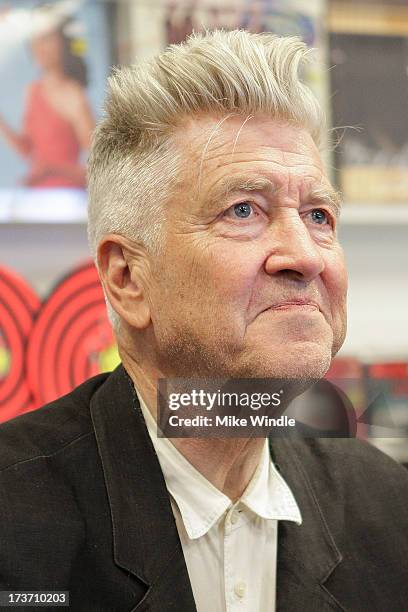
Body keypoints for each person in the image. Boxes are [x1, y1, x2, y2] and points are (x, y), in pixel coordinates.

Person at [0, 30, 407, 612]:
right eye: (243, 210)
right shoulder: (14, 518)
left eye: (319, 214)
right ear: (127, 278)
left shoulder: (385, 503)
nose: (307, 255)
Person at [0, 12, 94, 188]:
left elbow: (98, 168)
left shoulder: (74, 96)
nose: (38, 46)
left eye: (46, 38)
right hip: (38, 198)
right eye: (35, 39)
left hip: (67, 198)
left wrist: (52, 170)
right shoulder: (33, 91)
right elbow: (28, 150)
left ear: (63, 43)